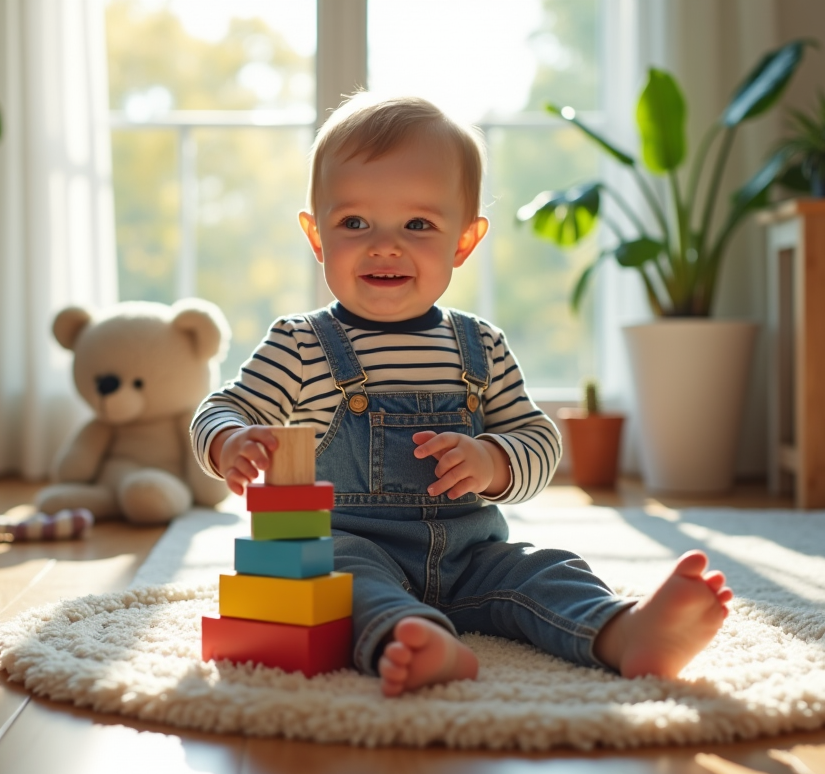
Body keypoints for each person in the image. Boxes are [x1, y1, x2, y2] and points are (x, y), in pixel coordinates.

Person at [191, 94, 732, 697]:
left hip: (472, 554)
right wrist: (229, 440)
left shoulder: (481, 345)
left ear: (464, 242)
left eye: (418, 225)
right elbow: (222, 407)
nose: (385, 245)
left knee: (546, 569)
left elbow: (539, 442)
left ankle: (621, 630)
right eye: (354, 223)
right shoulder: (301, 344)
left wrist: (494, 460)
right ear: (317, 236)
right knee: (342, 579)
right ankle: (416, 636)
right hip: (356, 545)